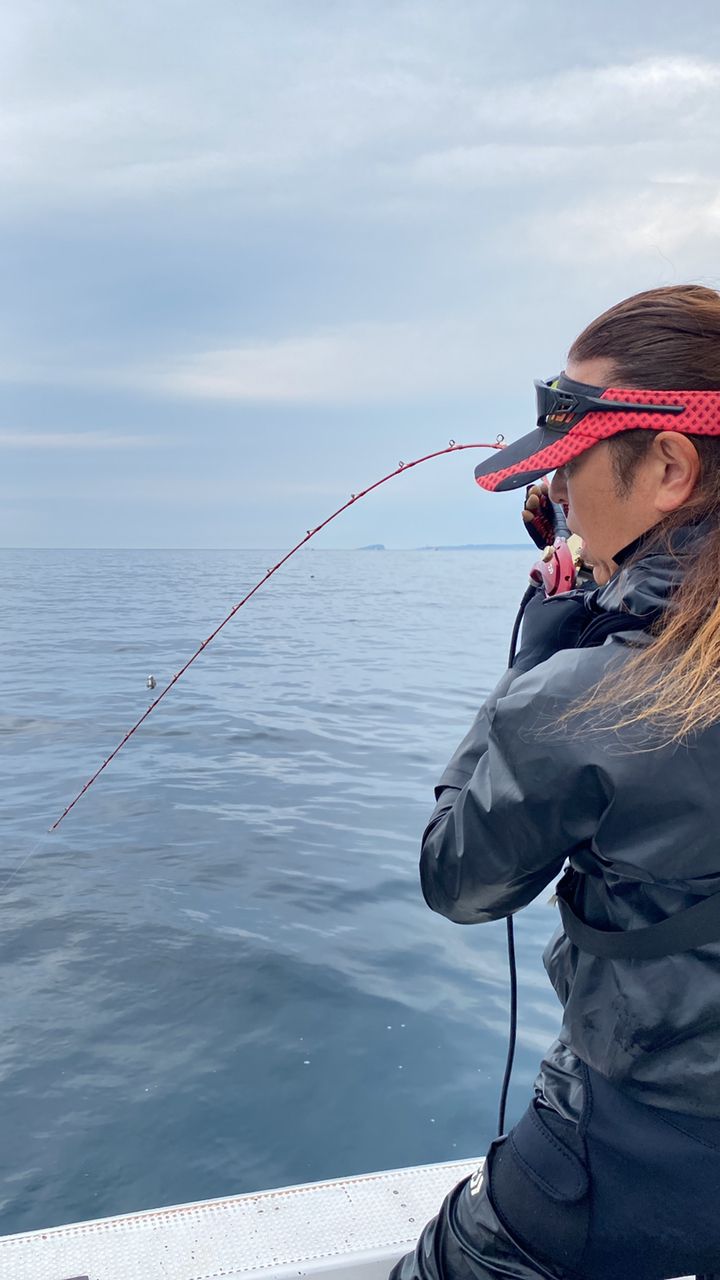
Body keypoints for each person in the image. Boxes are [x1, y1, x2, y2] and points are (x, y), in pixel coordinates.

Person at [390, 285, 720, 1280]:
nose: (561, 495)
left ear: (669, 464)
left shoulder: (588, 694)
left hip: (629, 1153)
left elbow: (459, 877)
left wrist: (543, 656)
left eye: (568, 464)